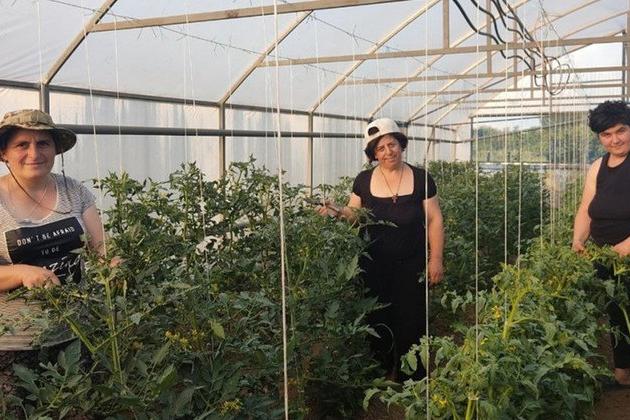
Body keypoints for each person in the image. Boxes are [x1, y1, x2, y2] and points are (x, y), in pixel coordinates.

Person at [318, 117, 444, 380]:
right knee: (378, 319)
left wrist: (436, 259)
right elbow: (355, 215)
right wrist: (337, 211)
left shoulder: (422, 178)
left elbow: (434, 219)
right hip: (373, 266)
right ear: (373, 154)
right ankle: (382, 372)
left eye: (392, 144)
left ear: (401, 144)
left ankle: (412, 377)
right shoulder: (363, 181)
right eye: (381, 148)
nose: (388, 152)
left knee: (411, 319)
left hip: (412, 265)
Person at [0, 109, 106, 351]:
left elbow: (102, 249)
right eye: (22, 144)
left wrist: (114, 265)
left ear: (55, 149)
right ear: (4, 152)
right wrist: (22, 273)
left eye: (43, 143)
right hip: (13, 344)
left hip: (75, 333)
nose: (34, 153)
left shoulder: (73, 190)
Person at [572, 100, 630, 387]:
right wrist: (578, 240)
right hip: (605, 255)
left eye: (621, 131)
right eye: (606, 134)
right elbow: (586, 208)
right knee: (617, 312)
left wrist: (628, 245)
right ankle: (623, 373)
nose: (614, 140)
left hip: (626, 253)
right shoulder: (598, 166)